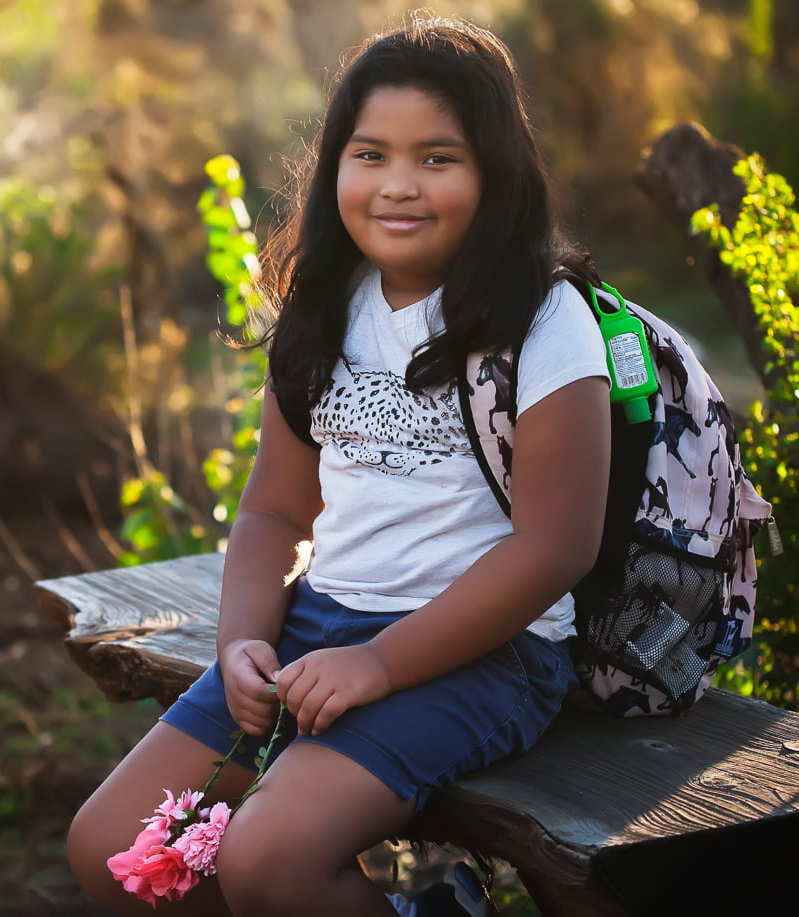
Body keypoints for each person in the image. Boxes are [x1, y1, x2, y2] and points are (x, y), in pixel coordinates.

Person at [68, 13, 612, 917]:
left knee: (266, 858)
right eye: (372, 155)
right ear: (336, 169)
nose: (400, 186)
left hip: (486, 652)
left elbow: (554, 548)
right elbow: (277, 515)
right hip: (321, 627)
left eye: (439, 158)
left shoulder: (544, 322)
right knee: (115, 848)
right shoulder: (326, 307)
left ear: (496, 173)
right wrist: (241, 640)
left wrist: (383, 665)